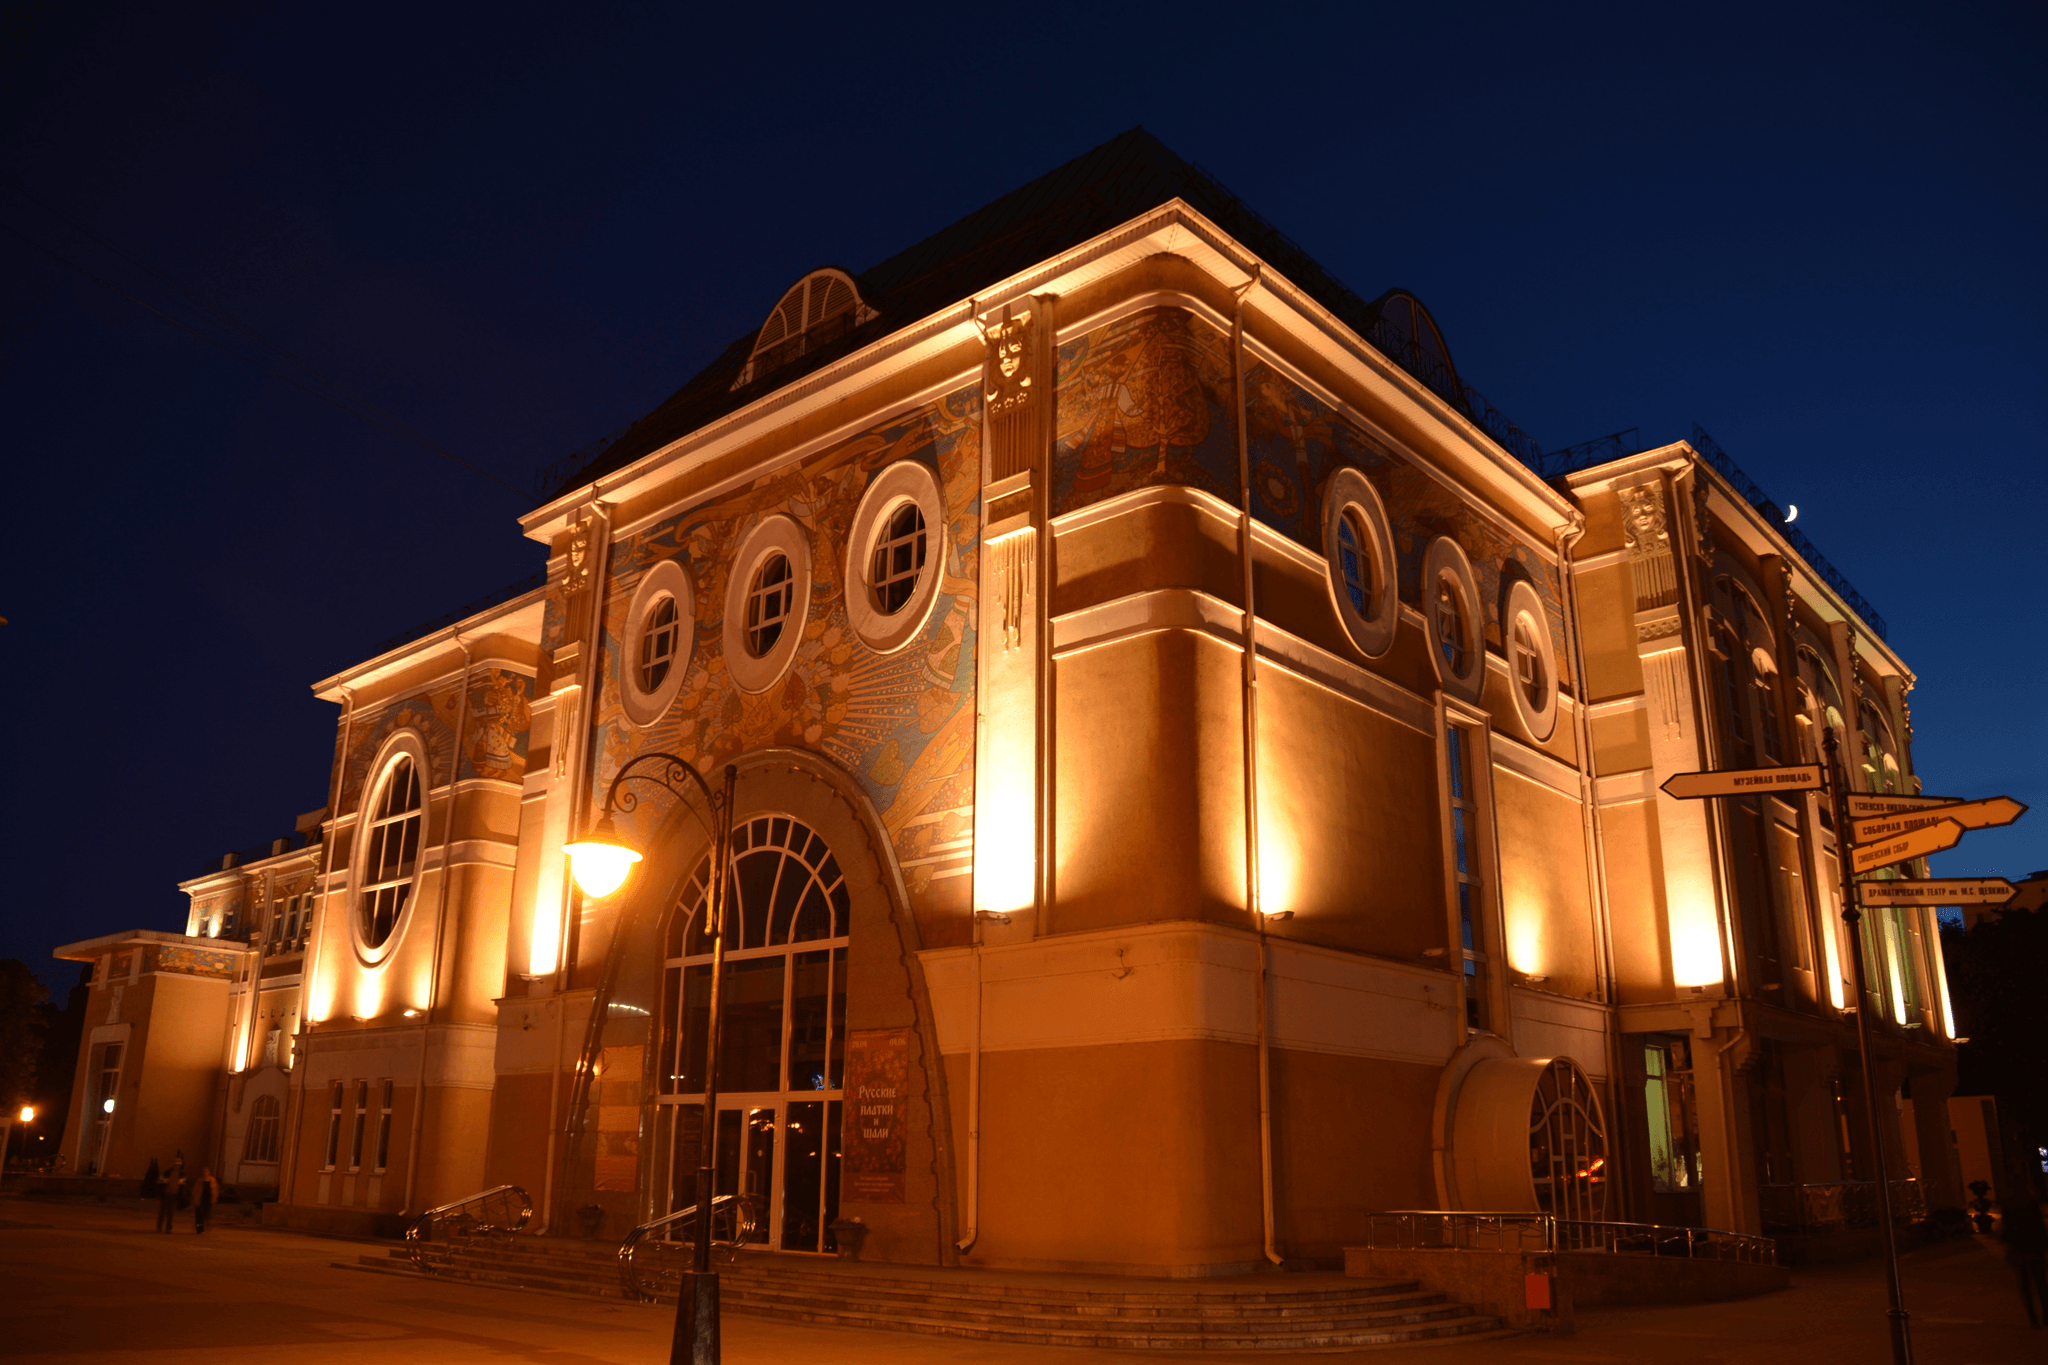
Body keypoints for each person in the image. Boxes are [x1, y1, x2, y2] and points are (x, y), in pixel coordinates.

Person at [2001, 1189, 2047, 1329]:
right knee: (2041, 1284)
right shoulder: (2032, 1204)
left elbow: (2005, 1230)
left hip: (2018, 1250)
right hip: (2034, 1248)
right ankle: (2045, 1315)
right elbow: (2040, 1227)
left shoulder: (2008, 1206)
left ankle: (2033, 1317)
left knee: (2025, 1285)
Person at [191, 1168, 218, 1234]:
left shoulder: (212, 1180)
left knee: (206, 1215)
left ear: (209, 1172)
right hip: (200, 1200)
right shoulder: (199, 1181)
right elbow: (195, 1190)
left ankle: (204, 1228)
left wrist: (214, 1199)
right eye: (204, 1171)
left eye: (206, 1171)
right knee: (199, 1216)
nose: (205, 1173)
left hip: (208, 1201)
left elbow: (215, 1190)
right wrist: (195, 1198)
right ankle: (199, 1229)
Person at [155, 1167, 182, 1234]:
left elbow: (180, 1186)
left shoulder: (178, 1175)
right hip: (168, 1195)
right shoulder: (173, 1175)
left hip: (170, 1195)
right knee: (167, 1213)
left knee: (168, 1213)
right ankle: (164, 1228)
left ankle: (163, 1228)